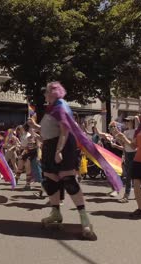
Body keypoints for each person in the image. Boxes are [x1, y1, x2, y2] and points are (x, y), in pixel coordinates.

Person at [28, 82, 96, 240]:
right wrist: (35, 127)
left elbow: (64, 130)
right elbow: (48, 130)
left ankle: (84, 218)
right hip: (49, 146)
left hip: (63, 145)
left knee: (68, 181)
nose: (44, 95)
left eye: (47, 92)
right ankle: (56, 212)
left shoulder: (61, 106)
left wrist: (59, 151)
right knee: (50, 181)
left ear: (53, 93)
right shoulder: (51, 108)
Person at [112, 116, 139, 203]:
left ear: (132, 122)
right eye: (126, 121)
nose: (126, 122)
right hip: (127, 154)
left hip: (134, 154)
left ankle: (126, 195)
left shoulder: (135, 131)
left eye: (128, 121)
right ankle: (140, 191)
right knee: (131, 175)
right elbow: (124, 145)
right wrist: (118, 140)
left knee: (129, 176)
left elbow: (133, 144)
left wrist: (124, 138)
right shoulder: (125, 131)